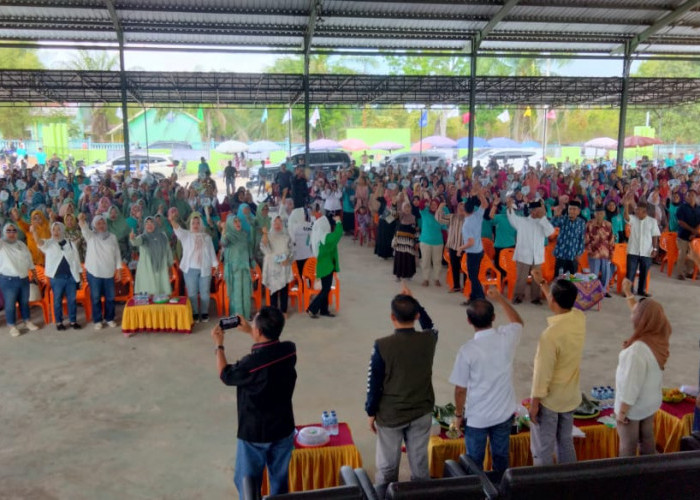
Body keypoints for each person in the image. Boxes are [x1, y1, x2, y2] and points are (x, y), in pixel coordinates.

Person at [211, 307, 297, 497]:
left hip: (255, 433)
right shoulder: (289, 350)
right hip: (283, 428)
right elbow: (270, 350)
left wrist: (219, 345)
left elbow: (225, 375)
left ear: (259, 331)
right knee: (280, 481)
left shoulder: (250, 364)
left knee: (247, 483)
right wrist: (251, 331)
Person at [365, 284, 437, 485]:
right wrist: (417, 305)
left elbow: (374, 382)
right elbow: (430, 325)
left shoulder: (382, 345)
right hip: (422, 411)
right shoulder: (428, 339)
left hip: (391, 415)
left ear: (392, 317)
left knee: (387, 468)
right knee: (420, 465)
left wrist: (371, 412)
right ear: (415, 317)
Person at [449, 286, 523, 475]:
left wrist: (458, 415)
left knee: (474, 464)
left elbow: (460, 390)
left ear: (468, 321)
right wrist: (500, 298)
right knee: (501, 458)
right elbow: (518, 321)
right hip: (504, 413)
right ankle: (503, 490)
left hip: (477, 418)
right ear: (493, 318)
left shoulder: (467, 351)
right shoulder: (506, 338)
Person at [528, 270, 585, 466]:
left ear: (552, 300)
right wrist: (542, 283)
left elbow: (542, 373)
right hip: (569, 396)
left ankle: (543, 486)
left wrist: (535, 403)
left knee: (543, 447)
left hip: (550, 399)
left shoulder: (550, 336)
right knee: (565, 441)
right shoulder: (579, 318)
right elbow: (560, 302)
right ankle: (568, 483)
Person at [616, 278, 672, 456]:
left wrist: (622, 411)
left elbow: (631, 385)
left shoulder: (637, 351)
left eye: (636, 315)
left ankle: (628, 480)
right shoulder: (659, 335)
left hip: (634, 407)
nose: (632, 316)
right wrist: (628, 293)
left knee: (628, 446)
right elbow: (641, 313)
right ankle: (651, 475)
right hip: (650, 402)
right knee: (647, 439)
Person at [171, 212, 218, 323]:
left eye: (198, 223)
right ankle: (195, 313)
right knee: (192, 293)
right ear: (190, 224)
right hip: (190, 269)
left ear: (201, 224)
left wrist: (216, 266)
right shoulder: (186, 235)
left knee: (205, 292)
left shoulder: (207, 237)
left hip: (205, 268)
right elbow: (178, 229)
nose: (196, 225)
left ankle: (204, 312)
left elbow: (211, 252)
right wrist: (172, 220)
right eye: (193, 223)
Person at [79, 213, 122, 330]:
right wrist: (81, 220)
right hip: (94, 272)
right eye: (98, 223)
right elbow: (84, 229)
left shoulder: (112, 237)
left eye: (103, 223)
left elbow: (117, 254)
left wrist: (119, 269)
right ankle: (97, 320)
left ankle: (110, 318)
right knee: (96, 297)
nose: (101, 225)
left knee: (110, 297)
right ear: (94, 225)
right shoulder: (91, 236)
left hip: (108, 272)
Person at [507, 199, 555, 304]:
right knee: (521, 278)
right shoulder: (522, 221)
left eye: (537, 210)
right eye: (533, 210)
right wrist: (509, 206)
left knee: (537, 278)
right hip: (523, 255)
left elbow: (551, 232)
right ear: (530, 210)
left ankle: (535, 297)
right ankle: (518, 296)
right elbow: (511, 217)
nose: (535, 212)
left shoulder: (543, 222)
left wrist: (542, 218)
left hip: (537, 256)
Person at [36, 222, 82, 330]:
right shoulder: (49, 243)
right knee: (57, 300)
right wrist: (34, 232)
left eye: (59, 229)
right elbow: (39, 242)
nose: (56, 232)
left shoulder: (70, 243)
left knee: (72, 300)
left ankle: (73, 321)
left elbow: (76, 260)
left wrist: (80, 277)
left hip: (71, 277)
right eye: (54, 230)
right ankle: (59, 322)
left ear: (62, 230)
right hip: (57, 278)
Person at [0, 222, 40, 337]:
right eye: (8, 231)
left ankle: (27, 321)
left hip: (23, 278)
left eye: (14, 231)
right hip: (8, 280)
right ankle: (12, 325)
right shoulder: (2, 244)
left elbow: (29, 260)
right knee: (10, 304)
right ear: (4, 232)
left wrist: (34, 275)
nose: (11, 234)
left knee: (24, 302)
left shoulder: (21, 244)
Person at [306, 215, 342, 318]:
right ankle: (312, 308)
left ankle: (324, 310)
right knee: (326, 289)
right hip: (325, 266)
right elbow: (337, 235)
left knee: (326, 288)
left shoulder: (320, 236)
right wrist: (338, 222)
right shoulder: (325, 237)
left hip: (326, 265)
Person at [622, 198, 660, 297]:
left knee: (644, 272)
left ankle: (641, 290)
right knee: (630, 272)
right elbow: (626, 217)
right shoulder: (633, 219)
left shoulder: (652, 221)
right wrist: (626, 205)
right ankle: (628, 291)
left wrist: (655, 249)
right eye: (636, 209)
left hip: (647, 251)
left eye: (638, 210)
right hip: (633, 250)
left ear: (645, 211)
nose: (636, 211)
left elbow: (655, 235)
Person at [221, 215, 255, 321]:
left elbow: (249, 250)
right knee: (236, 293)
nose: (237, 223)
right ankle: (238, 316)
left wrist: (252, 265)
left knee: (246, 292)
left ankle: (247, 313)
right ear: (230, 224)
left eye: (238, 221)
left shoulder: (244, 235)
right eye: (234, 222)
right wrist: (223, 230)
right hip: (234, 270)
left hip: (245, 268)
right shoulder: (229, 236)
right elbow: (223, 243)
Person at [457, 192, 488, 304]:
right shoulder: (477, 215)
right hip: (479, 251)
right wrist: (480, 192)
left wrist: (461, 248)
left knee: (473, 277)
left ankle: (480, 298)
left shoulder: (466, 225)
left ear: (464, 210)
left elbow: (470, 242)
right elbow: (485, 203)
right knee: (473, 276)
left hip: (473, 252)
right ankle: (473, 298)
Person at [130, 216, 173, 295]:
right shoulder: (143, 237)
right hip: (147, 269)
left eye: (151, 223)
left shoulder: (163, 236)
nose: (149, 225)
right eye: (147, 223)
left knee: (161, 293)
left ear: (155, 224)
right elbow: (136, 242)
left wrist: (170, 265)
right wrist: (132, 239)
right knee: (148, 293)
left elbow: (168, 251)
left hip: (161, 268)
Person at [261, 216, 293, 315]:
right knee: (273, 290)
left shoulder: (286, 236)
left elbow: (291, 250)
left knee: (284, 289)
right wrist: (265, 233)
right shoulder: (269, 235)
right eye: (275, 223)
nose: (277, 225)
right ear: (272, 224)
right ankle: (274, 312)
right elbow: (264, 246)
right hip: (272, 267)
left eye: (279, 223)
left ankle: (284, 311)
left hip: (284, 266)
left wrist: (288, 259)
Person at [585, 205, 615, 297]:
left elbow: (611, 239)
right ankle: (593, 291)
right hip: (594, 254)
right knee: (594, 273)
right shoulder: (589, 224)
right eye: (597, 213)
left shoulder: (608, 225)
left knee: (606, 273)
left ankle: (603, 291)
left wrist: (611, 252)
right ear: (594, 214)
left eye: (601, 213)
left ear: (604, 214)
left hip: (605, 253)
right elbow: (586, 239)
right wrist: (590, 250)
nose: (599, 215)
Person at [551, 200, 586, 275]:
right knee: (558, 277)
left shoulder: (581, 222)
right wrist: (555, 216)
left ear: (578, 211)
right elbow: (552, 225)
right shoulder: (563, 219)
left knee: (572, 278)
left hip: (573, 255)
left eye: (574, 209)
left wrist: (579, 253)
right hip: (561, 254)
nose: (571, 211)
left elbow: (582, 238)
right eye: (570, 209)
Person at [418, 197, 445, 287]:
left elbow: (444, 228)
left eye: (435, 204)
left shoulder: (441, 215)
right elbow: (421, 204)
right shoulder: (424, 212)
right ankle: (426, 279)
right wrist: (427, 200)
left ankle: (436, 278)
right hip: (425, 241)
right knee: (425, 261)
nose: (433, 206)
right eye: (432, 204)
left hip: (438, 242)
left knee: (437, 261)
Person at [675, 189, 700, 280]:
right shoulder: (682, 208)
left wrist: (695, 232)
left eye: (692, 195)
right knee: (682, 253)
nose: (690, 197)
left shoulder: (698, 208)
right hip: (683, 235)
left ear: (696, 197)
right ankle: (680, 273)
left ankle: (689, 272)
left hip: (694, 236)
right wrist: (692, 230)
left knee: (693, 254)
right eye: (688, 195)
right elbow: (680, 222)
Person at [392, 201, 418, 281]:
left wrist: (416, 242)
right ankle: (398, 276)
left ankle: (408, 275)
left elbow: (415, 230)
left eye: (408, 207)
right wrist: (394, 204)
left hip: (409, 243)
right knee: (399, 259)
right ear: (403, 208)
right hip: (400, 243)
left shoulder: (413, 217)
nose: (407, 209)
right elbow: (393, 214)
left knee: (409, 259)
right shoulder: (400, 216)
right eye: (405, 207)